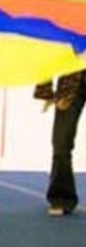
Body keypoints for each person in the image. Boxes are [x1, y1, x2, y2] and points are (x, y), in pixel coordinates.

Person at [34, 71, 86, 216]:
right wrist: (45, 89)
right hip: (71, 81)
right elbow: (51, 50)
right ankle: (61, 198)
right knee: (61, 142)